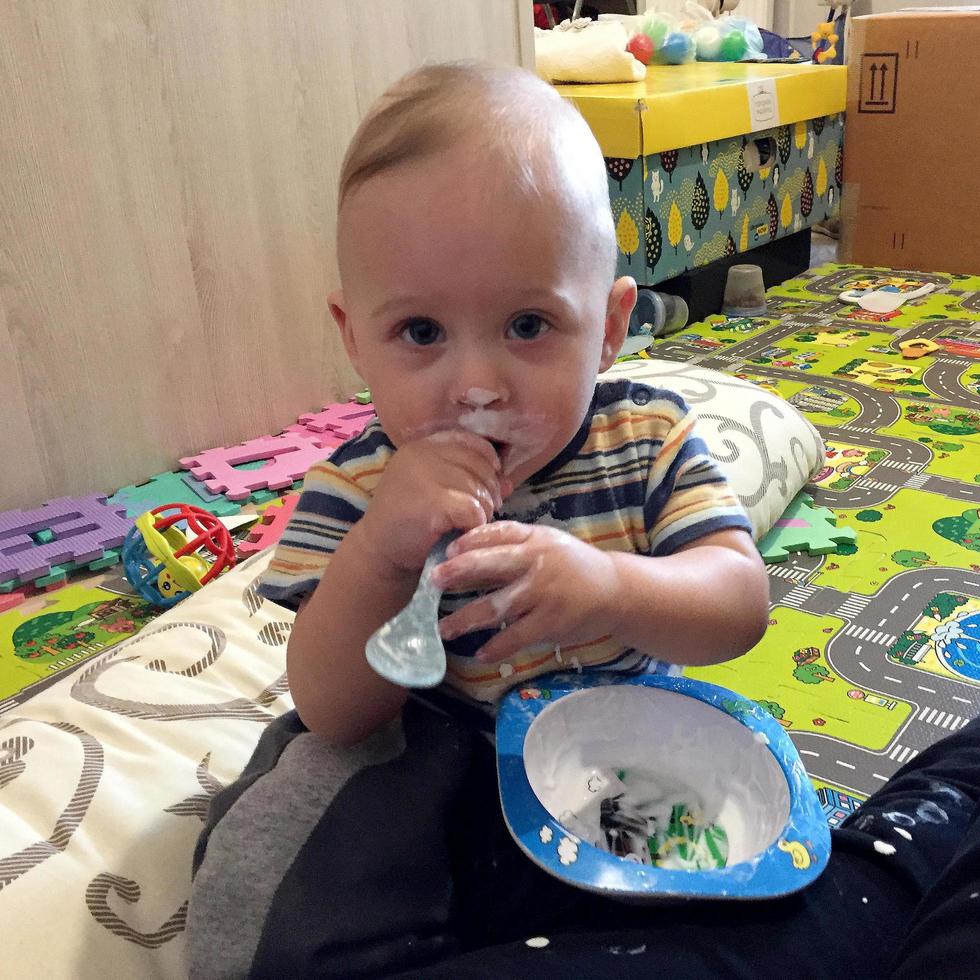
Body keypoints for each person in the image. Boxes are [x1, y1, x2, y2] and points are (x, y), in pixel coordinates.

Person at [186, 60, 772, 976]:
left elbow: (739, 603)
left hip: (615, 749)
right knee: (291, 834)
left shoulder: (646, 437)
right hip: (429, 748)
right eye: (421, 334)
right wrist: (382, 552)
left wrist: (614, 587)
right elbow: (332, 707)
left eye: (530, 325)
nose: (476, 387)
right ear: (355, 338)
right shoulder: (360, 487)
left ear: (611, 326)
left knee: (748, 868)